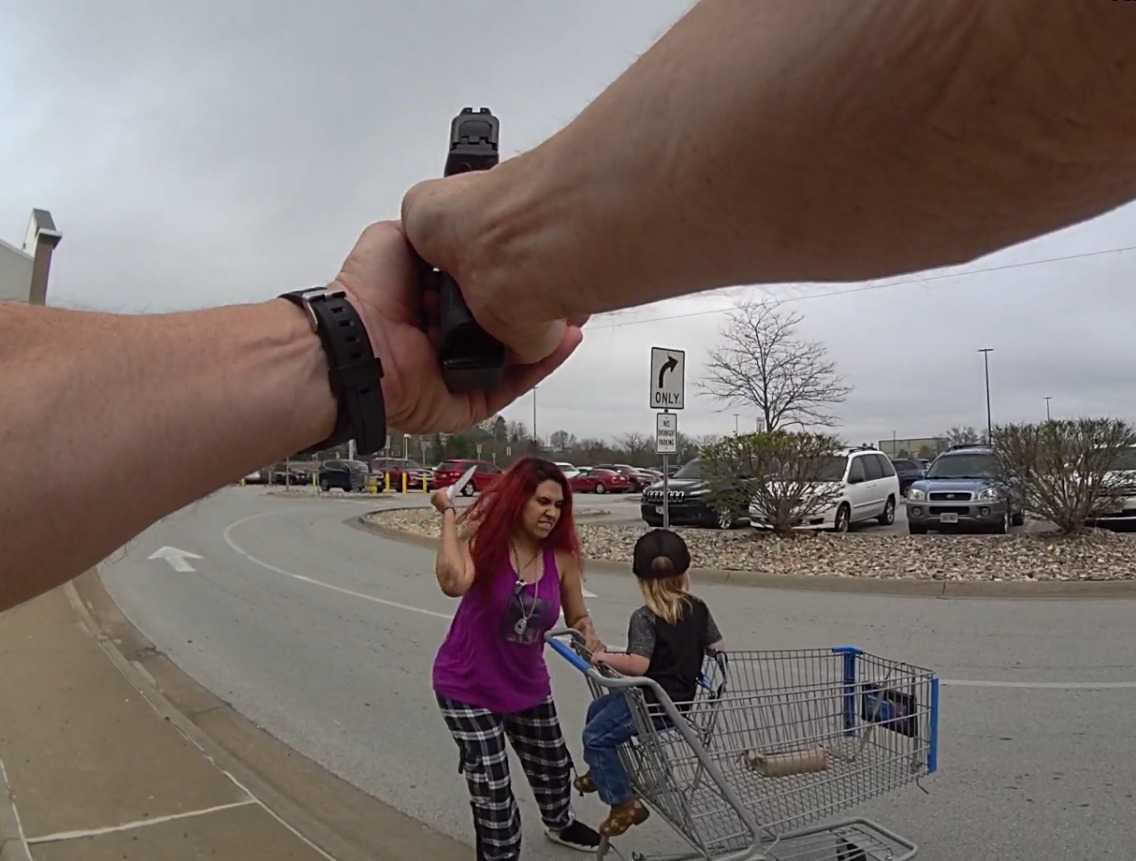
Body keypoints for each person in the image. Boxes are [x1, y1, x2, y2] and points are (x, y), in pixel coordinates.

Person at [5, 1, 1135, 612]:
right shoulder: (491, 530)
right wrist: (508, 242)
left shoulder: (571, 558)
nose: (554, 509)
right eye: (541, 499)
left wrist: (344, 346)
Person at [428, 458, 603, 859]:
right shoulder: (487, 541)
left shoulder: (562, 558)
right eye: (542, 501)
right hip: (466, 686)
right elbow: (453, 582)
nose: (551, 513)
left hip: (526, 684)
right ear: (519, 499)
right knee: (493, 795)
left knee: (554, 769)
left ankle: (560, 823)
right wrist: (449, 514)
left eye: (559, 505)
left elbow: (578, 616)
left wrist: (590, 639)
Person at [575, 529, 724, 838]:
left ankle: (623, 802)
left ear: (640, 579)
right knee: (598, 708)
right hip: (677, 703)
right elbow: (718, 647)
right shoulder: (699, 607)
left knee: (595, 737)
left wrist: (603, 656)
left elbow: (638, 665)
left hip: (650, 705)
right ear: (684, 573)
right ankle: (600, 771)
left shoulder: (645, 617)